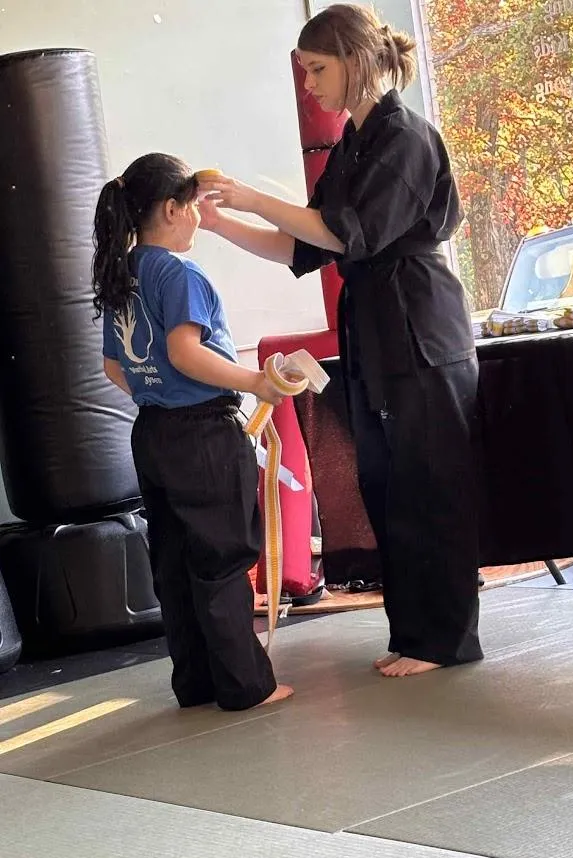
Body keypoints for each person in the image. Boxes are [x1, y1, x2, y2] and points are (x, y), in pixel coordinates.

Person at [197, 4, 484, 678]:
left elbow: (347, 232)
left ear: (355, 61)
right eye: (304, 73)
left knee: (427, 484)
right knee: (383, 483)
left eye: (318, 69)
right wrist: (219, 224)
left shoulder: (407, 137)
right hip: (374, 333)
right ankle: (413, 631)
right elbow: (305, 243)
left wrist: (252, 196)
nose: (310, 86)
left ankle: (445, 638)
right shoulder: (353, 144)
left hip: (418, 329)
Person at [92, 152, 293, 710]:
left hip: (154, 433)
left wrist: (157, 396)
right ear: (173, 208)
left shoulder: (123, 269)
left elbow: (114, 367)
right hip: (202, 434)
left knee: (176, 562)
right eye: (194, 208)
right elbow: (185, 352)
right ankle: (249, 686)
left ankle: (196, 682)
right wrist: (256, 380)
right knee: (222, 557)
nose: (200, 219)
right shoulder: (178, 273)